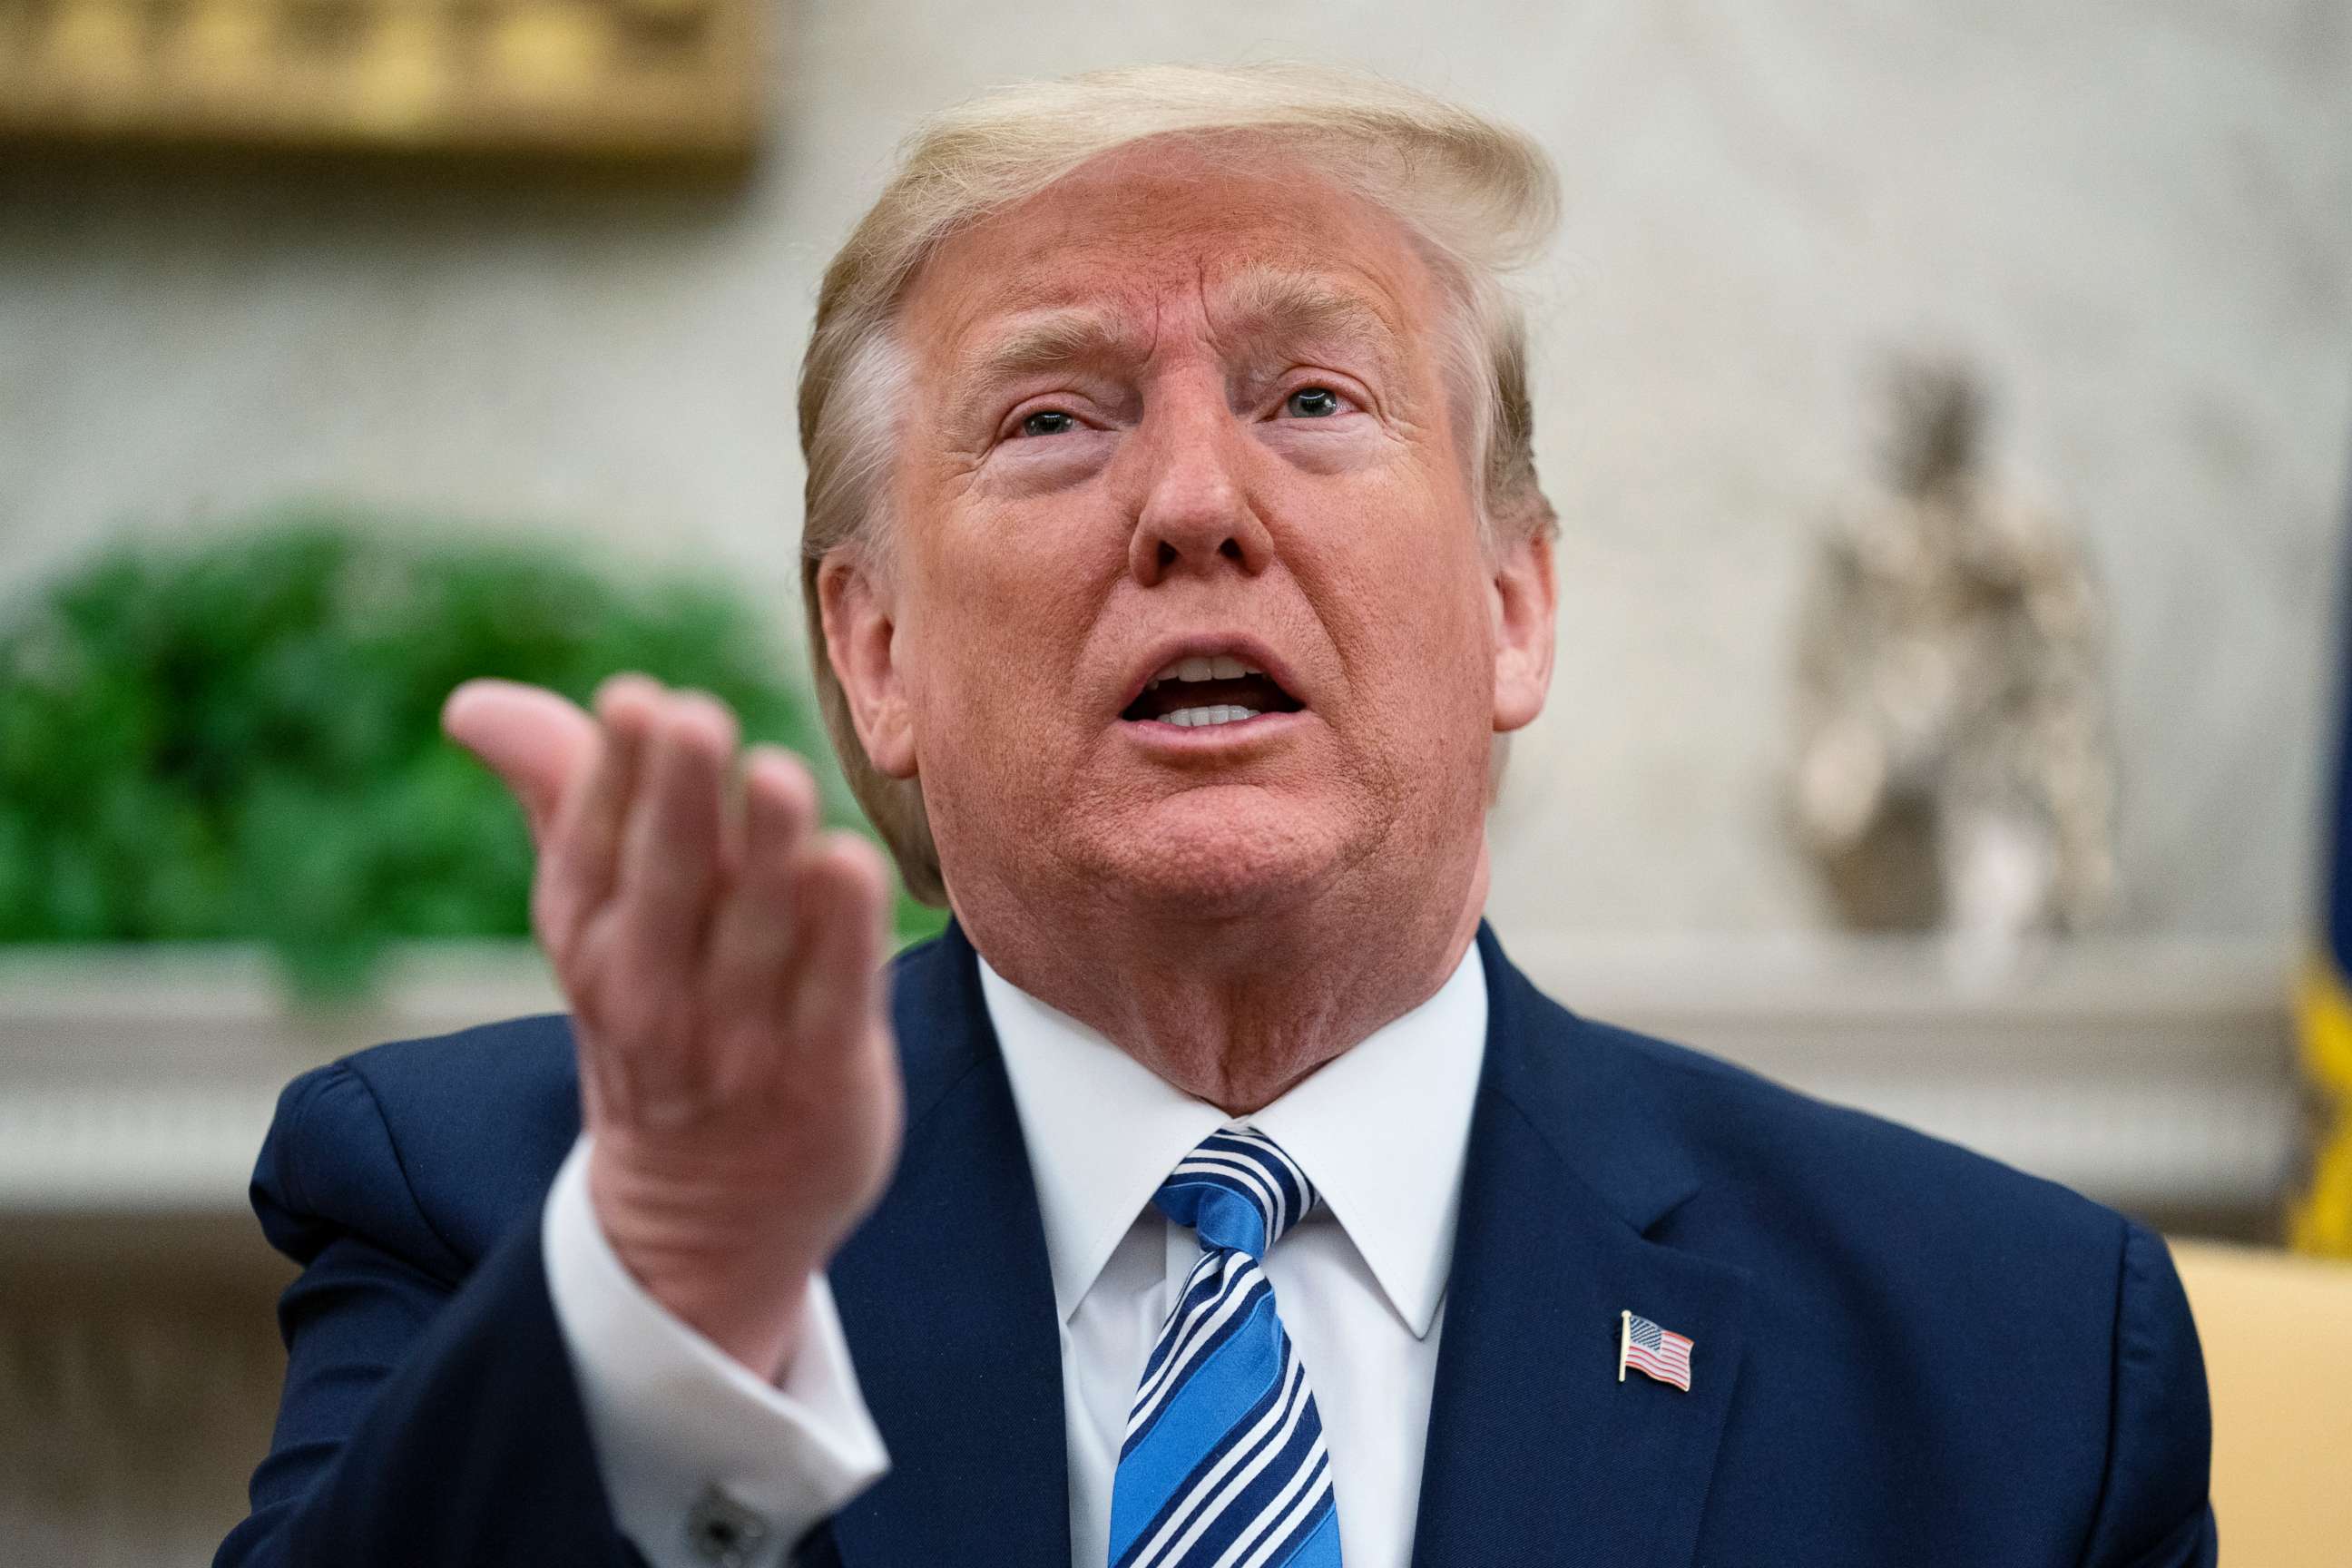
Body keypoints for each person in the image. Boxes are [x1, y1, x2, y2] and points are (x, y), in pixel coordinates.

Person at [215, 64, 2216, 1568]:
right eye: (1057, 417)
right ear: (876, 649)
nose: (1196, 501)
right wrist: (670, 1296)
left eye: (1314, 400)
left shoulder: (2011, 1365)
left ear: (1515, 604)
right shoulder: (502, 1217)